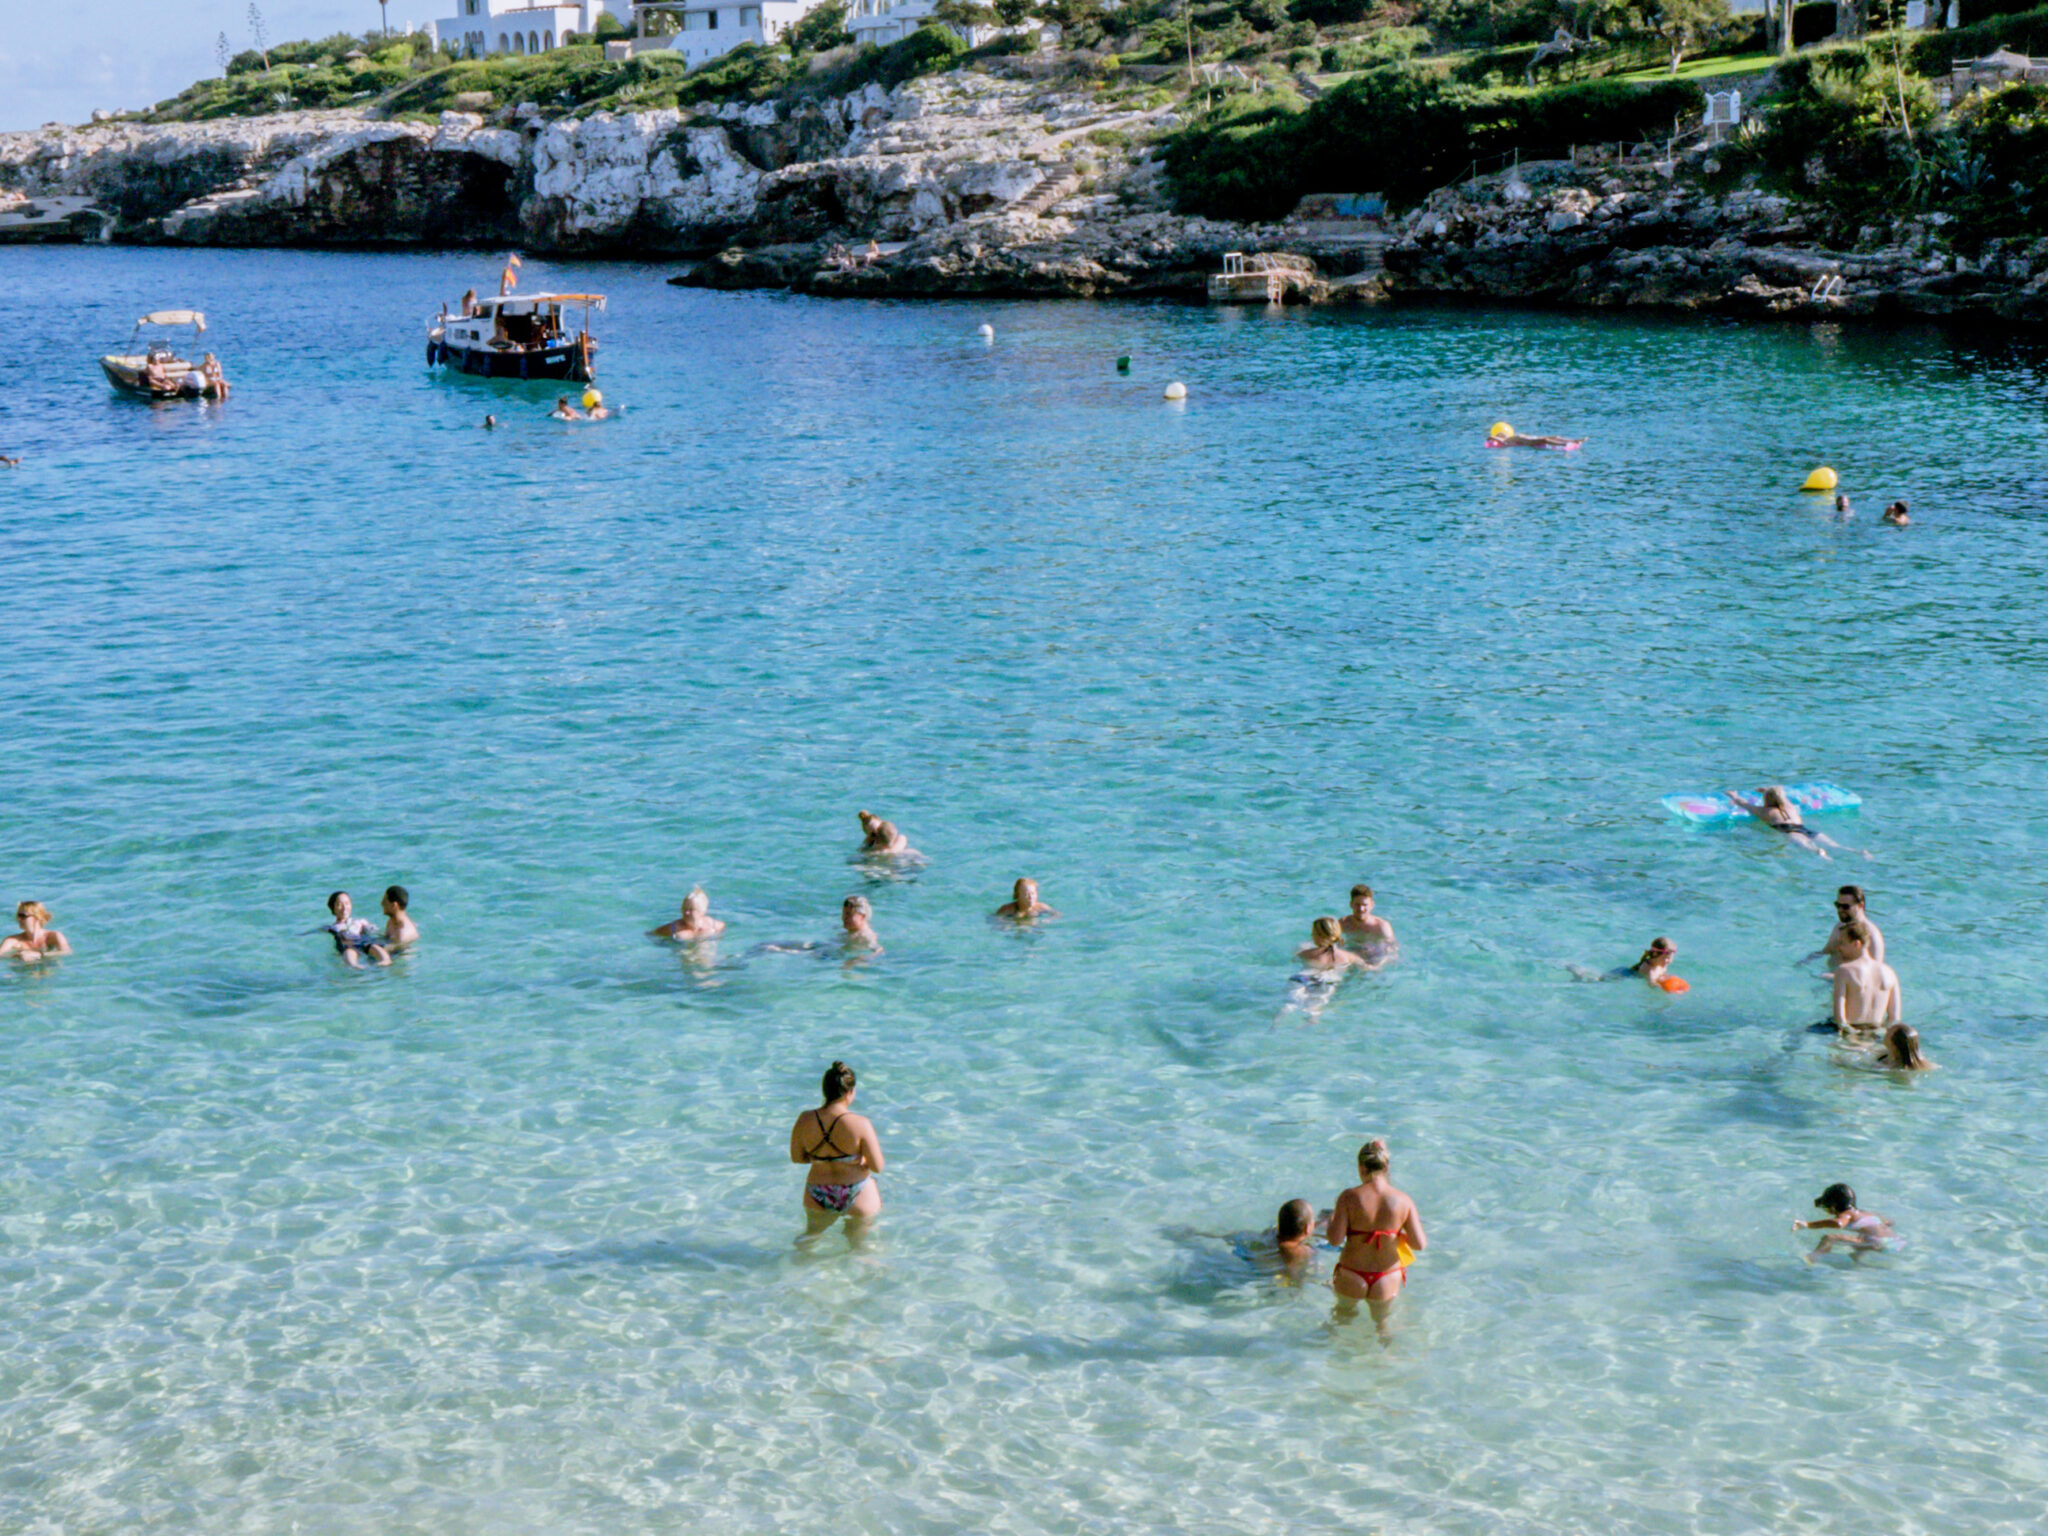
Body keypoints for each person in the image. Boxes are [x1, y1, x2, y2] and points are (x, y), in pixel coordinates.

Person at [1327, 1138, 1425, 1333]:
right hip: (1387, 1277)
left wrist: (1331, 1221)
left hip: (1351, 1274)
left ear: (1361, 1168)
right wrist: (1398, 1234)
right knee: (1383, 1328)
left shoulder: (1349, 1197)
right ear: (1386, 1167)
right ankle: (1386, 1359)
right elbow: (1419, 1244)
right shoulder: (1403, 1200)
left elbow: (1334, 1240)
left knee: (1340, 1324)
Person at [789, 1060, 884, 1235]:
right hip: (857, 1190)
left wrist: (822, 1159)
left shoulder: (805, 1119)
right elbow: (877, 1166)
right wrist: (856, 1159)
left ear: (825, 1090)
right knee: (861, 1249)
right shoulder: (860, 1123)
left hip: (817, 1191)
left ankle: (792, 1262)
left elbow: (797, 1158)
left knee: (808, 1241)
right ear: (850, 1092)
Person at [1726, 785, 1842, 857]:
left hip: (1789, 831)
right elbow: (1780, 796)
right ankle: (1857, 852)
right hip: (1803, 828)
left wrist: (1733, 795)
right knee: (1836, 845)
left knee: (1809, 848)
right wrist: (1767, 791)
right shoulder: (1789, 806)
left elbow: (1742, 803)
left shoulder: (1764, 811)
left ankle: (1818, 852)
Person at [1793, 1182, 1893, 1262]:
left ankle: (1812, 1259)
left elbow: (1838, 1223)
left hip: (1879, 1243)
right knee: (1858, 1243)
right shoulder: (1866, 1213)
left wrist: (1808, 1224)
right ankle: (1859, 1265)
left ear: (1833, 1207)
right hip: (1894, 1243)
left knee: (1829, 1238)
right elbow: (1888, 1222)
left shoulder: (1847, 1214)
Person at [1831, 921, 1900, 1035]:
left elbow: (1840, 1019)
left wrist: (1852, 1035)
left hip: (1851, 1033)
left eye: (1842, 943)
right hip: (1877, 1033)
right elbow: (1894, 1019)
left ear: (1856, 944)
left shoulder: (1844, 971)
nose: (1839, 948)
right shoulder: (1890, 972)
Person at [1802, 885, 1884, 971]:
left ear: (1860, 906)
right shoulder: (1839, 926)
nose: (1840, 910)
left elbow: (1875, 971)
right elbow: (1826, 951)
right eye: (1838, 905)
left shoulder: (1872, 934)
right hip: (1832, 979)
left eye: (1845, 907)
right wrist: (1806, 960)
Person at [322, 891, 390, 968]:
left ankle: (385, 961)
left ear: (351, 905)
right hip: (348, 945)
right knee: (349, 953)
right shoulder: (332, 927)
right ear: (333, 908)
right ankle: (356, 967)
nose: (344, 908)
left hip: (365, 941)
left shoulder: (360, 922)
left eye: (347, 903)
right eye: (339, 905)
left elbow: (375, 931)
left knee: (375, 947)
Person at [1837, 1022, 1936, 1072]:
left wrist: (1842, 1064)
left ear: (1893, 1043)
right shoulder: (1885, 1055)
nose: (1885, 1033)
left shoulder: (1895, 1069)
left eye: (1888, 1032)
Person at [1297, 916, 1374, 974]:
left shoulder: (1306, 954)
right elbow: (1367, 968)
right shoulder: (1349, 957)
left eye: (1313, 933)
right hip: (1332, 982)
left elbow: (1294, 961)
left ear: (1317, 935)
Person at [0, 901, 72, 961]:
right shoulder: (13, 940)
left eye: (22, 916)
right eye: (18, 916)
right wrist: (17, 956)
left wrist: (39, 954)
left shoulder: (54, 936)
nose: (18, 919)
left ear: (37, 917)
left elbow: (67, 952)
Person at [650, 887, 725, 941]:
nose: (686, 912)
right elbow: (652, 934)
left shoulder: (714, 925)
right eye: (684, 908)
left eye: (691, 910)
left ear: (702, 911)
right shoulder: (674, 928)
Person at [1339, 884, 1396, 952]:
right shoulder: (1343, 924)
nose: (1361, 909)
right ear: (1351, 904)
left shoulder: (1381, 927)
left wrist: (1379, 962)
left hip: (1374, 957)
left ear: (1372, 905)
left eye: (1365, 905)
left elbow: (1392, 950)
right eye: (1357, 905)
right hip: (1351, 953)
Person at [379, 885, 418, 952]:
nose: (381, 903)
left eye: (385, 901)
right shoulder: (391, 921)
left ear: (394, 905)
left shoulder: (402, 934)